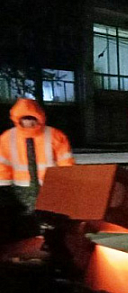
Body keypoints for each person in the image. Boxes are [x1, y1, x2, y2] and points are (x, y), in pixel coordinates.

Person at [0, 98, 75, 241]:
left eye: (32, 118)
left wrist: (67, 182)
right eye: (25, 118)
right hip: (22, 190)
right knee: (26, 223)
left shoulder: (55, 135)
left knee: (51, 221)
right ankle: (31, 248)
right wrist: (4, 188)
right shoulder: (7, 138)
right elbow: (2, 164)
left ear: (39, 117)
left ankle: (51, 245)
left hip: (50, 186)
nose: (29, 122)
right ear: (18, 119)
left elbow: (65, 161)